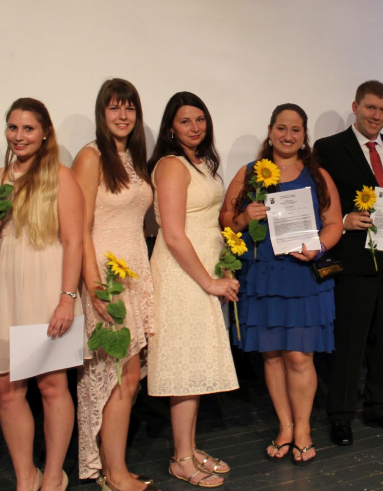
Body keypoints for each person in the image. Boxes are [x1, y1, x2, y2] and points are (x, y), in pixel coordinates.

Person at [219, 103, 342, 465]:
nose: (288, 135)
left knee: (299, 356)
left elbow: (334, 223)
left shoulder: (318, 175)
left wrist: (319, 247)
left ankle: (303, 428)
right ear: (270, 131)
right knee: (271, 355)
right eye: (282, 128)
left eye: (296, 129)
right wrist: (245, 216)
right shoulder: (248, 173)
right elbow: (226, 220)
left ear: (304, 136)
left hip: (303, 276)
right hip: (262, 276)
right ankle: (285, 426)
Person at [0, 98, 85, 491]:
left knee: (51, 385)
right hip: (5, 286)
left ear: (44, 133)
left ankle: (54, 475)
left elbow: (74, 241)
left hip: (46, 287)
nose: (19, 136)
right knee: (5, 389)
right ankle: (26, 476)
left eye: (28, 128)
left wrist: (66, 298)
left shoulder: (60, 176)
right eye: (13, 127)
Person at [314, 80, 383, 445]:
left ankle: (380, 408)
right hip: (353, 259)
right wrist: (343, 221)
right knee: (349, 342)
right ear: (355, 106)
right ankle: (341, 415)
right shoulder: (328, 148)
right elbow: (318, 200)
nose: (377, 116)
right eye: (371, 108)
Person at [147, 92, 239, 488]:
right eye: (185, 121)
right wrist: (208, 282)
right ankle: (181, 459)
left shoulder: (201, 162)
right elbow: (172, 234)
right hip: (182, 275)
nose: (195, 127)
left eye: (200, 119)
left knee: (195, 364)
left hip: (201, 271)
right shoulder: (172, 165)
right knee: (183, 367)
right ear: (171, 128)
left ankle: (189, 447)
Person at [72, 79, 158, 490]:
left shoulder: (135, 160)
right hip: (105, 278)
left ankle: (112, 467)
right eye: (114, 107)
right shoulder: (91, 157)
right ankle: (115, 472)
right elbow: (79, 227)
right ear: (101, 113)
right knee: (118, 373)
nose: (123, 115)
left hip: (134, 273)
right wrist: (93, 285)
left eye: (129, 108)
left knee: (126, 374)